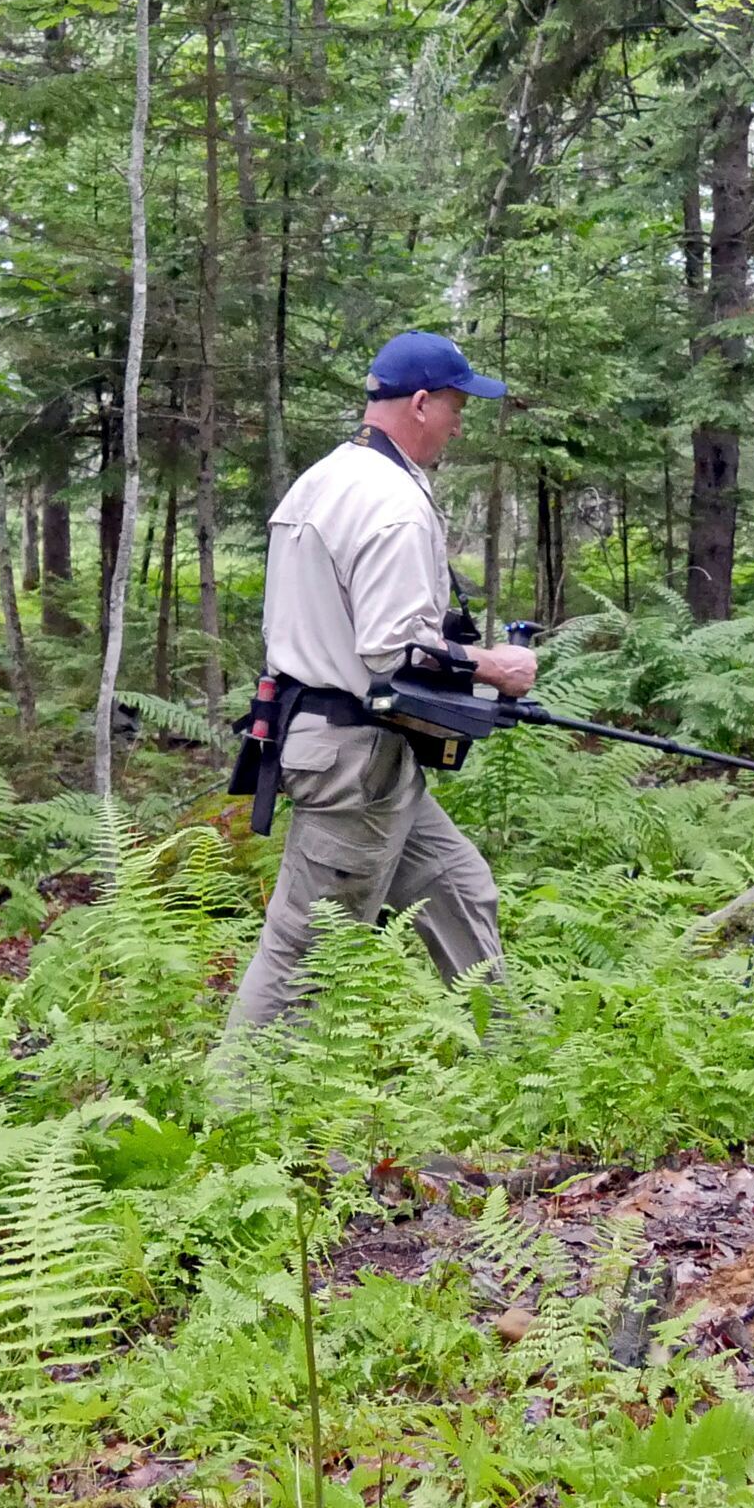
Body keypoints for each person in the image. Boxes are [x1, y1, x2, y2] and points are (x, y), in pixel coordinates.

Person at [225, 331, 540, 1034]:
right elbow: (393, 652)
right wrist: (495, 666)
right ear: (421, 402)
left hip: (348, 745)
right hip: (353, 760)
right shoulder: (391, 503)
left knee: (459, 889)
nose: (461, 421)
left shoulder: (325, 477)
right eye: (457, 404)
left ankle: (520, 1062)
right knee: (309, 954)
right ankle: (239, 1113)